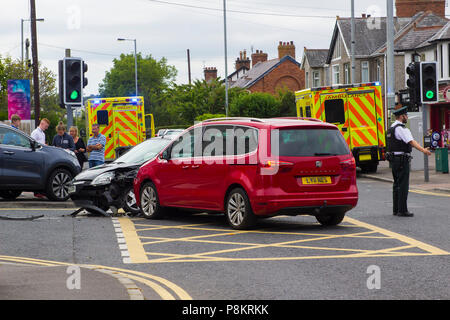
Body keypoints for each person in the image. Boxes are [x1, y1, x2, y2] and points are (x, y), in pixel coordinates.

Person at [387, 106, 431, 217]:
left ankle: (396, 209)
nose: (407, 117)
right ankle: (402, 210)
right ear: (402, 117)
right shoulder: (401, 129)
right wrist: (423, 150)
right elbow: (411, 142)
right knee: (403, 185)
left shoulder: (391, 128)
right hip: (402, 161)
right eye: (406, 116)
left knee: (396, 184)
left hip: (394, 160)